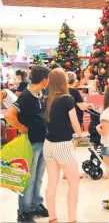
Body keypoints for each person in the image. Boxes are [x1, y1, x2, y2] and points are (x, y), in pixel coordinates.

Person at [5, 65, 50, 222]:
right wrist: (21, 127)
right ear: (44, 80)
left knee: (38, 177)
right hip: (31, 143)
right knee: (28, 178)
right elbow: (9, 114)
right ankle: (24, 210)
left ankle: (35, 204)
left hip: (41, 141)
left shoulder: (39, 94)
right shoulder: (25, 96)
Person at [43, 68, 86, 223]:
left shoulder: (46, 98)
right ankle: (72, 219)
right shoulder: (67, 99)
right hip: (63, 145)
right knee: (74, 183)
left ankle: (52, 217)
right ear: (63, 81)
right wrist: (81, 136)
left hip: (48, 144)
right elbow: (75, 123)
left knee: (52, 183)